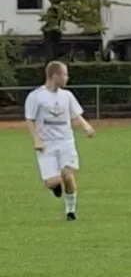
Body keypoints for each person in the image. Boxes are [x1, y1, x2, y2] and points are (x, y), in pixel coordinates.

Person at [24, 61, 95, 221]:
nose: (67, 77)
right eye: (64, 74)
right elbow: (30, 120)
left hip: (65, 141)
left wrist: (86, 126)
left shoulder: (67, 96)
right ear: (54, 75)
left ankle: (70, 211)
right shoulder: (36, 96)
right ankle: (54, 186)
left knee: (67, 176)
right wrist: (37, 140)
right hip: (46, 144)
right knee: (53, 181)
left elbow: (75, 115)